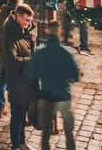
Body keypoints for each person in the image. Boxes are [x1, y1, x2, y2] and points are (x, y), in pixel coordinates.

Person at [26, 19, 80, 150]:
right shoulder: (67, 53)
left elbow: (31, 73)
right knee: (69, 131)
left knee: (45, 131)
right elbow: (75, 76)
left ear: (47, 31)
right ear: (60, 32)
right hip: (64, 96)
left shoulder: (39, 52)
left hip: (47, 95)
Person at [2, 3, 37, 150]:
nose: (29, 24)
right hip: (17, 82)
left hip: (26, 81)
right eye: (27, 20)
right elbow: (12, 62)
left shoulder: (23, 31)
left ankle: (22, 143)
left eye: (31, 21)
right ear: (17, 17)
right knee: (17, 116)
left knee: (23, 116)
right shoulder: (10, 35)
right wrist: (32, 60)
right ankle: (16, 145)